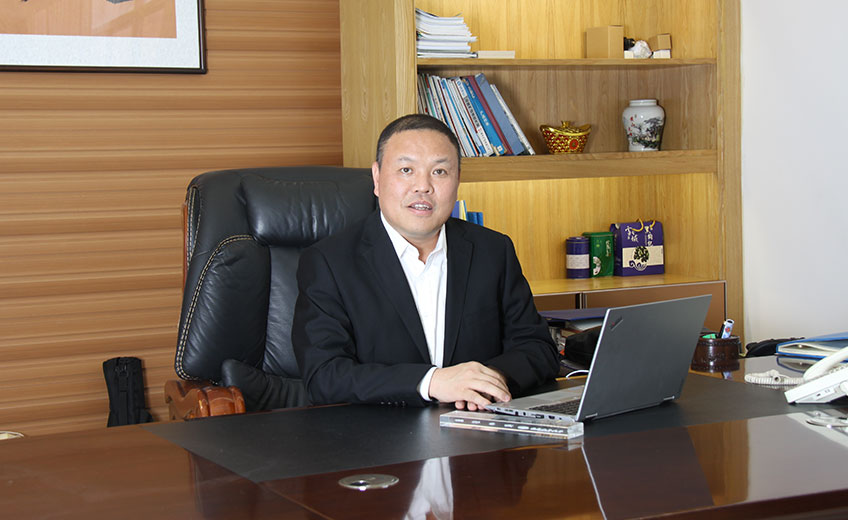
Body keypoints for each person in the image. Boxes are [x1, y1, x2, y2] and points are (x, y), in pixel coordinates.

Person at [292, 114, 558, 410]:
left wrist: (485, 381)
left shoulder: (493, 251)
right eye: (406, 170)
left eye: (440, 171)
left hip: (478, 429)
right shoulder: (329, 262)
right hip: (379, 434)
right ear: (377, 178)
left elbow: (538, 349)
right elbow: (324, 375)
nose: (423, 186)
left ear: (458, 180)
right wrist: (431, 382)